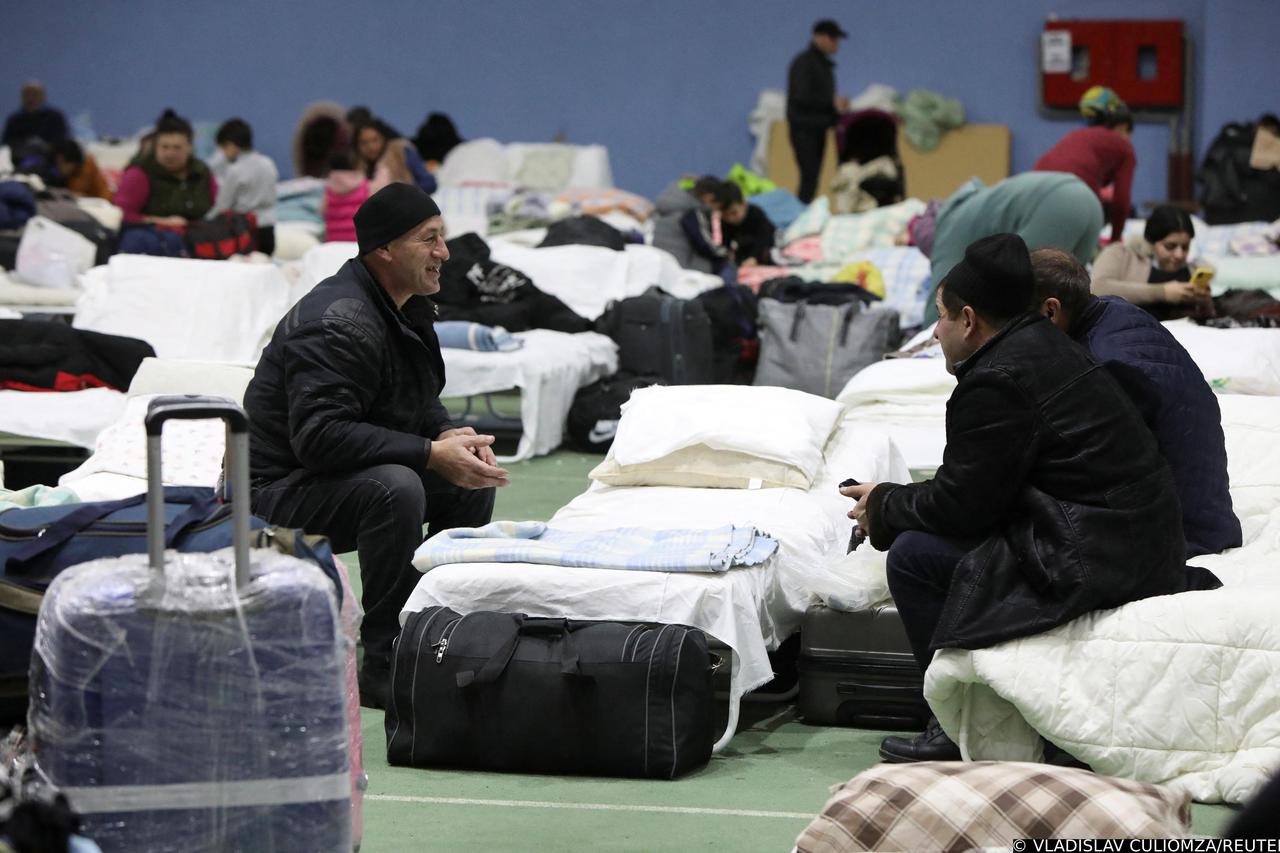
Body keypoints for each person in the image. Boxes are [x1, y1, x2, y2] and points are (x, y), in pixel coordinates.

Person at [841, 233, 1220, 763]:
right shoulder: (1046, 345)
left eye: (942, 316)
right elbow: (984, 486)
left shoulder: (995, 381)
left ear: (970, 320)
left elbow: (963, 506)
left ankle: (953, 725)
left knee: (913, 556)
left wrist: (884, 506)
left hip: (1099, 555)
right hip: (1138, 540)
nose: (936, 330)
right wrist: (896, 499)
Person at [242, 183, 508, 710]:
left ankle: (437, 635)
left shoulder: (403, 304)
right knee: (397, 488)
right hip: (269, 494)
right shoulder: (338, 321)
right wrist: (428, 453)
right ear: (384, 249)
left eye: (443, 237)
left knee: (468, 480)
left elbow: (419, 396)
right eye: (428, 239)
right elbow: (320, 438)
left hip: (324, 476)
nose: (444, 253)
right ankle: (384, 659)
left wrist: (448, 437)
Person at [1030, 247, 1240, 558]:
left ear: (1050, 311)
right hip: (1211, 514)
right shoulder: (1115, 310)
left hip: (1183, 535)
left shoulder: (1103, 366)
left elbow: (1092, 477)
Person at [920, 172, 1103, 324]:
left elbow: (942, 298)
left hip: (1056, 205)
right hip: (1090, 202)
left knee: (1021, 304)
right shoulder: (981, 202)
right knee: (1070, 303)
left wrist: (926, 339)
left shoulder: (950, 230)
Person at [1034, 90, 1135, 244]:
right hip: (1071, 195)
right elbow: (1121, 201)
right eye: (1129, 132)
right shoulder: (1125, 147)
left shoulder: (1076, 135)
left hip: (1033, 188)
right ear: (1123, 127)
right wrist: (1115, 240)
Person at [113, 109, 217, 256]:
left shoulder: (202, 171)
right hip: (153, 245)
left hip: (198, 242)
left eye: (177, 148)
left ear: (190, 147)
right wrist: (162, 221)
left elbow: (216, 206)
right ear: (155, 147)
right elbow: (120, 214)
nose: (170, 153)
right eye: (164, 147)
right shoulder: (138, 174)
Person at [1090, 204, 1213, 320]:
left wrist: (1204, 303)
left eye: (1185, 247)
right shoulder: (1121, 254)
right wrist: (1162, 292)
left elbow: (1209, 316)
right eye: (1170, 246)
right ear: (1151, 241)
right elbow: (1097, 288)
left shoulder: (1192, 270)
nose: (1179, 255)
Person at [786, 19, 849, 204]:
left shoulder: (824, 66)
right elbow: (801, 96)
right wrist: (831, 103)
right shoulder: (804, 63)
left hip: (818, 128)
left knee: (812, 179)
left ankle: (806, 212)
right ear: (818, 37)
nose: (835, 43)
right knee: (809, 178)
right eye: (832, 38)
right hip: (804, 129)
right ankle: (802, 216)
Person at [206, 118, 279, 256]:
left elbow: (223, 207)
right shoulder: (268, 163)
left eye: (223, 148)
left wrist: (203, 222)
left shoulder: (235, 170)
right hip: (269, 229)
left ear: (231, 146)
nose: (223, 154)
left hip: (245, 232)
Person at [353, 118, 437, 195]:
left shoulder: (401, 152)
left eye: (375, 140)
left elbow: (429, 183)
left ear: (383, 138)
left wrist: (403, 194)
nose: (371, 147)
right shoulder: (355, 166)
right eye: (364, 142)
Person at [711, 181, 776, 267]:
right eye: (725, 215)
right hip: (745, 251)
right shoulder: (725, 222)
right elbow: (726, 242)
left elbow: (764, 238)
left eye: (734, 213)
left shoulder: (756, 213)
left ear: (743, 202)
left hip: (765, 248)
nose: (730, 219)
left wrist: (754, 257)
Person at [2, 81, 68, 150]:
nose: (30, 98)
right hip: (20, 158)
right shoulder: (14, 120)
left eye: (35, 94)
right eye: (27, 94)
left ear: (43, 96)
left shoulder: (55, 117)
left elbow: (61, 141)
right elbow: (7, 143)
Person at [322, 151, 369, 242]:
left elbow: (322, 211)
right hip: (358, 240)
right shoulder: (365, 185)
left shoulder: (329, 188)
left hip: (333, 241)